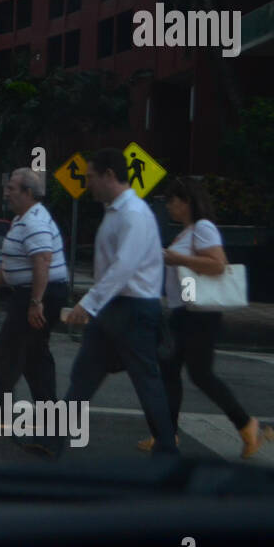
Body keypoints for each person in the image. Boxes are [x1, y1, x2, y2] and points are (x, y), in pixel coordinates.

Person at [43, 148, 179, 457]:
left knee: (145, 382)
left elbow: (123, 267)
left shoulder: (134, 214)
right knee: (83, 377)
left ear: (109, 175)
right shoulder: (117, 211)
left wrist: (87, 303)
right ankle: (52, 444)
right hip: (116, 308)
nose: (87, 183)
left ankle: (168, 450)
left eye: (91, 177)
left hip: (133, 309)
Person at [144, 177, 274, 457]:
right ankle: (167, 437)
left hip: (201, 315)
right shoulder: (186, 232)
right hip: (183, 313)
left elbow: (218, 264)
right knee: (169, 370)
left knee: (200, 374)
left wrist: (178, 259)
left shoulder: (203, 228)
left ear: (186, 202)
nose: (169, 207)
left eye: (172, 201)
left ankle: (247, 425)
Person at [0, 169, 69, 428]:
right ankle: (50, 422)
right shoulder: (21, 219)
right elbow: (11, 263)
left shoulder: (34, 221)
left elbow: (42, 260)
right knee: (34, 357)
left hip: (38, 292)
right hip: (32, 292)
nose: (6, 193)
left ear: (28, 193)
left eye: (11, 188)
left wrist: (36, 302)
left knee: (7, 352)